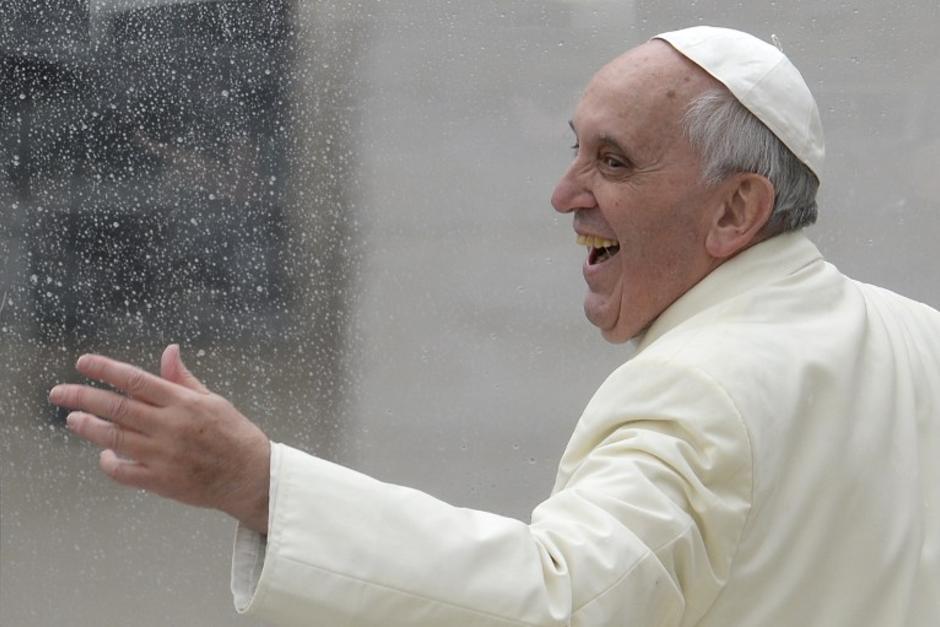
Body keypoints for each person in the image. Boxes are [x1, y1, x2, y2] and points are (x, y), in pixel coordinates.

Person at [49, 25, 938, 626]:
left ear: (737, 208)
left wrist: (262, 484)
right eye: (575, 147)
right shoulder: (920, 338)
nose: (563, 194)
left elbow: (558, 599)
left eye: (614, 160)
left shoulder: (701, 385)